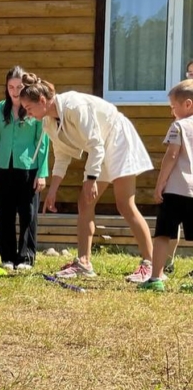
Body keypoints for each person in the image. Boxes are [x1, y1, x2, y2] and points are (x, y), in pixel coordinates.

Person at [18, 73, 154, 282]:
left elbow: (95, 144)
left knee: (124, 204)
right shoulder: (48, 121)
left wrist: (90, 179)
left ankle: (150, 265)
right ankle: (84, 262)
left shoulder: (74, 106)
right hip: (100, 147)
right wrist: (53, 189)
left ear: (42, 101)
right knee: (85, 202)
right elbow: (62, 155)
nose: (28, 114)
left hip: (118, 140)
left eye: (29, 109)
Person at [0, 66, 50, 271]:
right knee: (4, 212)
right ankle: (7, 256)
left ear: (26, 87)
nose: (14, 91)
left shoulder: (34, 110)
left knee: (28, 213)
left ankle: (26, 256)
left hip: (28, 167)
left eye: (18, 87)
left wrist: (42, 173)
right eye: (10, 86)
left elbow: (43, 142)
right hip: (4, 166)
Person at [139, 80, 193, 291]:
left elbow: (171, 155)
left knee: (163, 234)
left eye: (173, 107)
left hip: (176, 191)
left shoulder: (178, 126)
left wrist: (160, 184)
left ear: (187, 104)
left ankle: (156, 279)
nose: (172, 112)